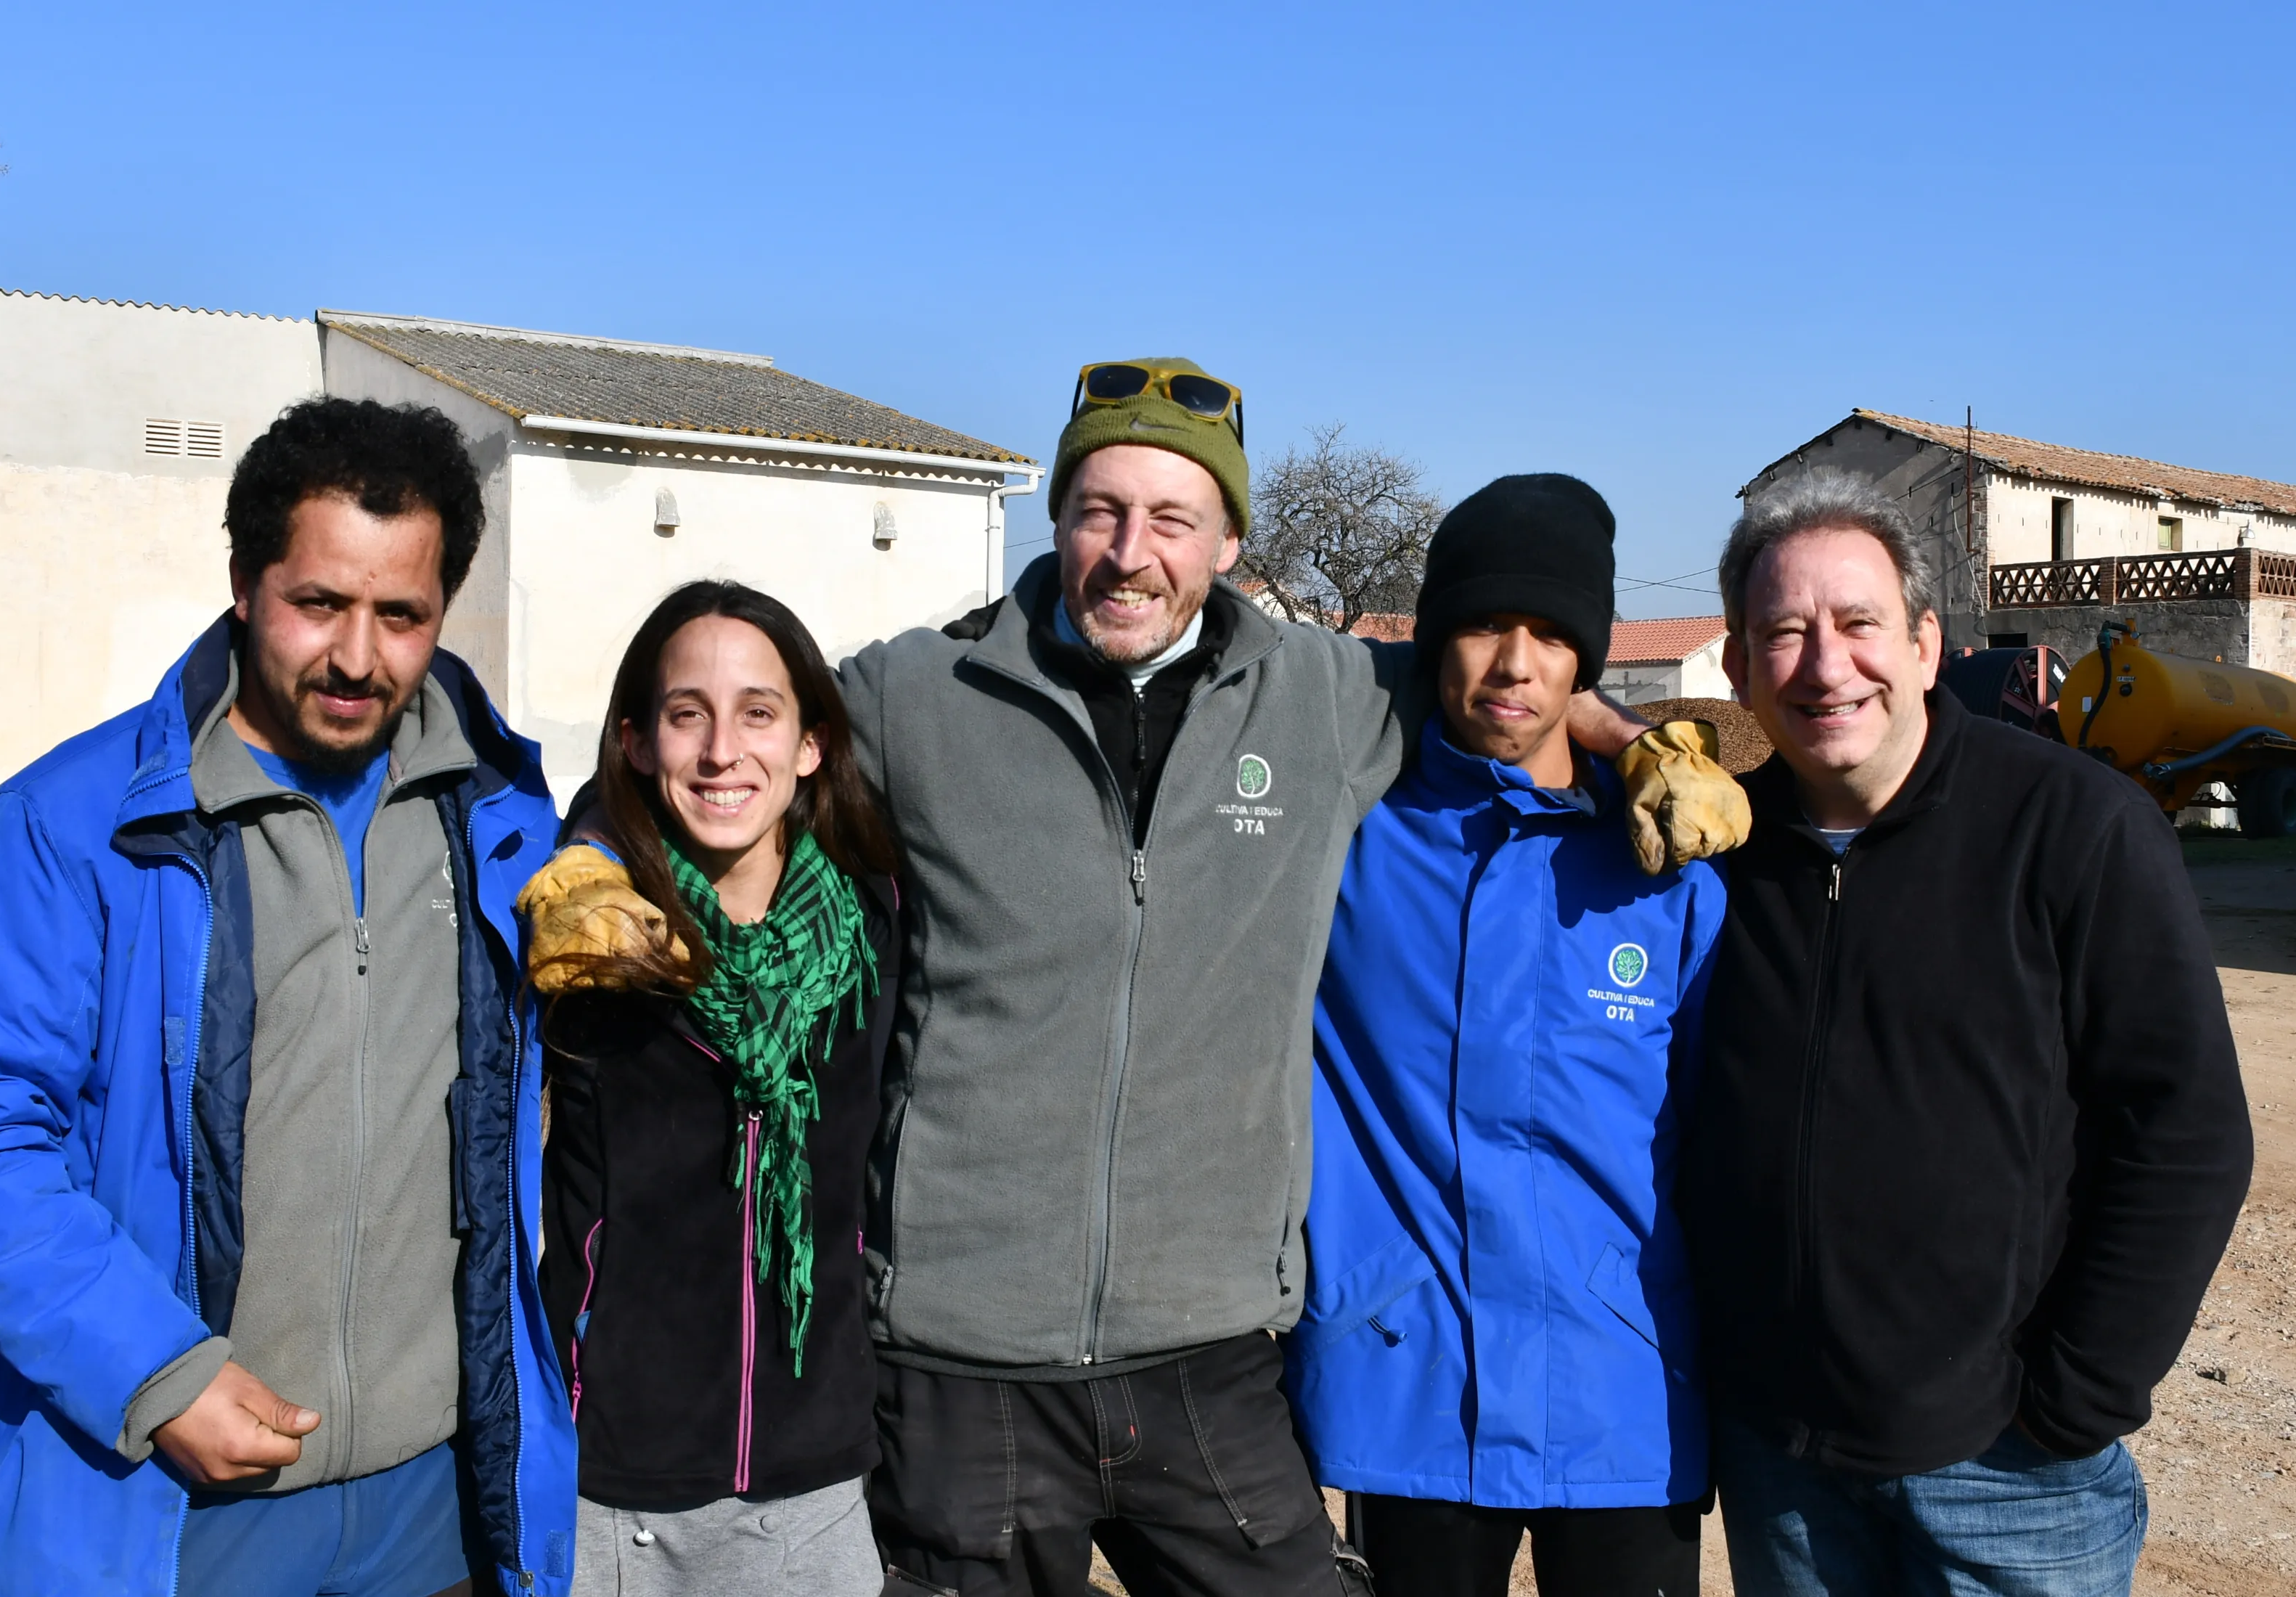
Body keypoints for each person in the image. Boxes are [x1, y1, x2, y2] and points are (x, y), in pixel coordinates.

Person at [524, 358, 1748, 1596]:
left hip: (1207, 1350)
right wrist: (585, 857)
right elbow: (727, 745)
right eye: (1099, 511)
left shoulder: (1325, 698)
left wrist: (1648, 744)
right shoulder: (917, 692)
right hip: (962, 1360)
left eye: (1171, 519)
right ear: (1056, 520)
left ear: (1225, 542)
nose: (1129, 552)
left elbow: (1506, 682)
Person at [0, 399, 576, 1597]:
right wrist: (157, 1373)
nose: (358, 657)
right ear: (245, 584)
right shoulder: (74, 826)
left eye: (401, 615)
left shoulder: (502, 821)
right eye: (319, 605)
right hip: (171, 1510)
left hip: (438, 1510)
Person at [1684, 475, 2254, 1597]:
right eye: (1783, 634)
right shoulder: (1719, 860)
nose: (1824, 664)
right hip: (1779, 1463)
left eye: (1858, 624)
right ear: (1740, 669)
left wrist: (2072, 1398)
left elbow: (2183, 1131)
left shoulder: (2075, 828)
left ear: (1926, 641)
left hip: (2007, 1475)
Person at [1284, 475, 1725, 1597]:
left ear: (1588, 655)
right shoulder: (1345, 836)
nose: (1514, 663)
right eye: (1481, 625)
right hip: (1406, 1380)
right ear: (1433, 641)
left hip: (1624, 1391)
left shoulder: (1665, 875)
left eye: (1550, 634)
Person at [526, 581, 901, 1596]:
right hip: (613, 1479)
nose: (722, 750)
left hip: (813, 1475)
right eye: (686, 714)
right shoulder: (590, 940)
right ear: (638, 741)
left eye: (758, 713)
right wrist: (587, 838)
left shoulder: (872, 929)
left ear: (811, 743)